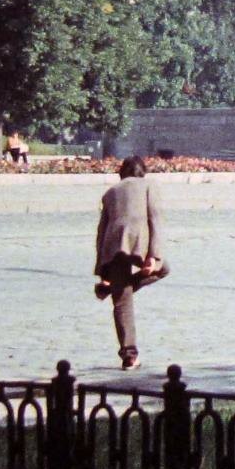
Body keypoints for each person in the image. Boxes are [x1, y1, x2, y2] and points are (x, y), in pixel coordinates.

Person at [94, 156, 170, 370]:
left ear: (122, 172)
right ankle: (120, 288)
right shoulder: (150, 186)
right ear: (142, 172)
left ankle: (129, 355)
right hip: (140, 242)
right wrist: (153, 257)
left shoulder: (110, 192)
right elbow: (156, 219)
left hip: (113, 246)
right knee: (163, 269)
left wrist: (104, 275)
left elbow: (101, 234)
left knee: (122, 301)